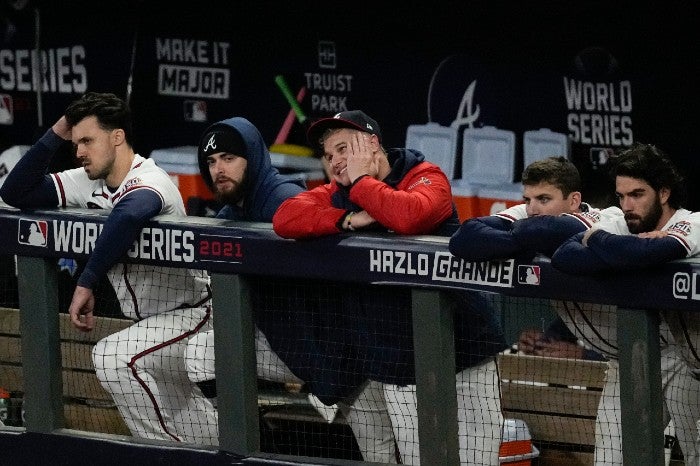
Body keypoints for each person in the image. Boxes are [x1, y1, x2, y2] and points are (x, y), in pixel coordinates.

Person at [273, 110, 507, 465]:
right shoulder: (336, 195)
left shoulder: (424, 176)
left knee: (480, 461)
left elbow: (409, 215)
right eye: (329, 154)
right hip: (398, 363)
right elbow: (285, 218)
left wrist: (363, 183)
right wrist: (346, 218)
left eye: (343, 148)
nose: (336, 162)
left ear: (372, 143)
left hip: (465, 349)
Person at [448, 154, 694, 465]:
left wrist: (516, 237)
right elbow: (465, 238)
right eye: (528, 199)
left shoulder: (596, 219)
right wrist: (528, 233)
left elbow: (552, 240)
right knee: (610, 456)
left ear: (574, 200)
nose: (533, 208)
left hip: (672, 352)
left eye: (545, 199)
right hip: (624, 360)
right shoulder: (532, 213)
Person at [0, 92, 216, 444]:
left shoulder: (151, 176)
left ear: (117, 137)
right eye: (75, 142)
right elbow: (14, 191)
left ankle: (161, 458)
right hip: (151, 327)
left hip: (195, 316)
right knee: (196, 429)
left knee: (114, 357)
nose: (79, 150)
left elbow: (130, 212)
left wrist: (87, 281)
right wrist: (59, 129)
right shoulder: (86, 181)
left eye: (88, 140)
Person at [183, 117, 398, 461]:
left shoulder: (282, 197)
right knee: (202, 353)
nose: (218, 169)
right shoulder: (229, 214)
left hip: (344, 351)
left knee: (384, 452)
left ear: (251, 159)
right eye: (211, 161)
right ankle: (258, 453)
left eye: (228, 158)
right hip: (296, 348)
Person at [551, 142, 700, 464]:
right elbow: (565, 256)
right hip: (634, 354)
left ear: (663, 193)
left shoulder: (692, 222)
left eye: (637, 194)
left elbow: (649, 253)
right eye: (621, 196)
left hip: (686, 362)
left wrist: (600, 243)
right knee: (611, 457)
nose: (627, 205)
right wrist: (615, 245)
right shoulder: (622, 222)